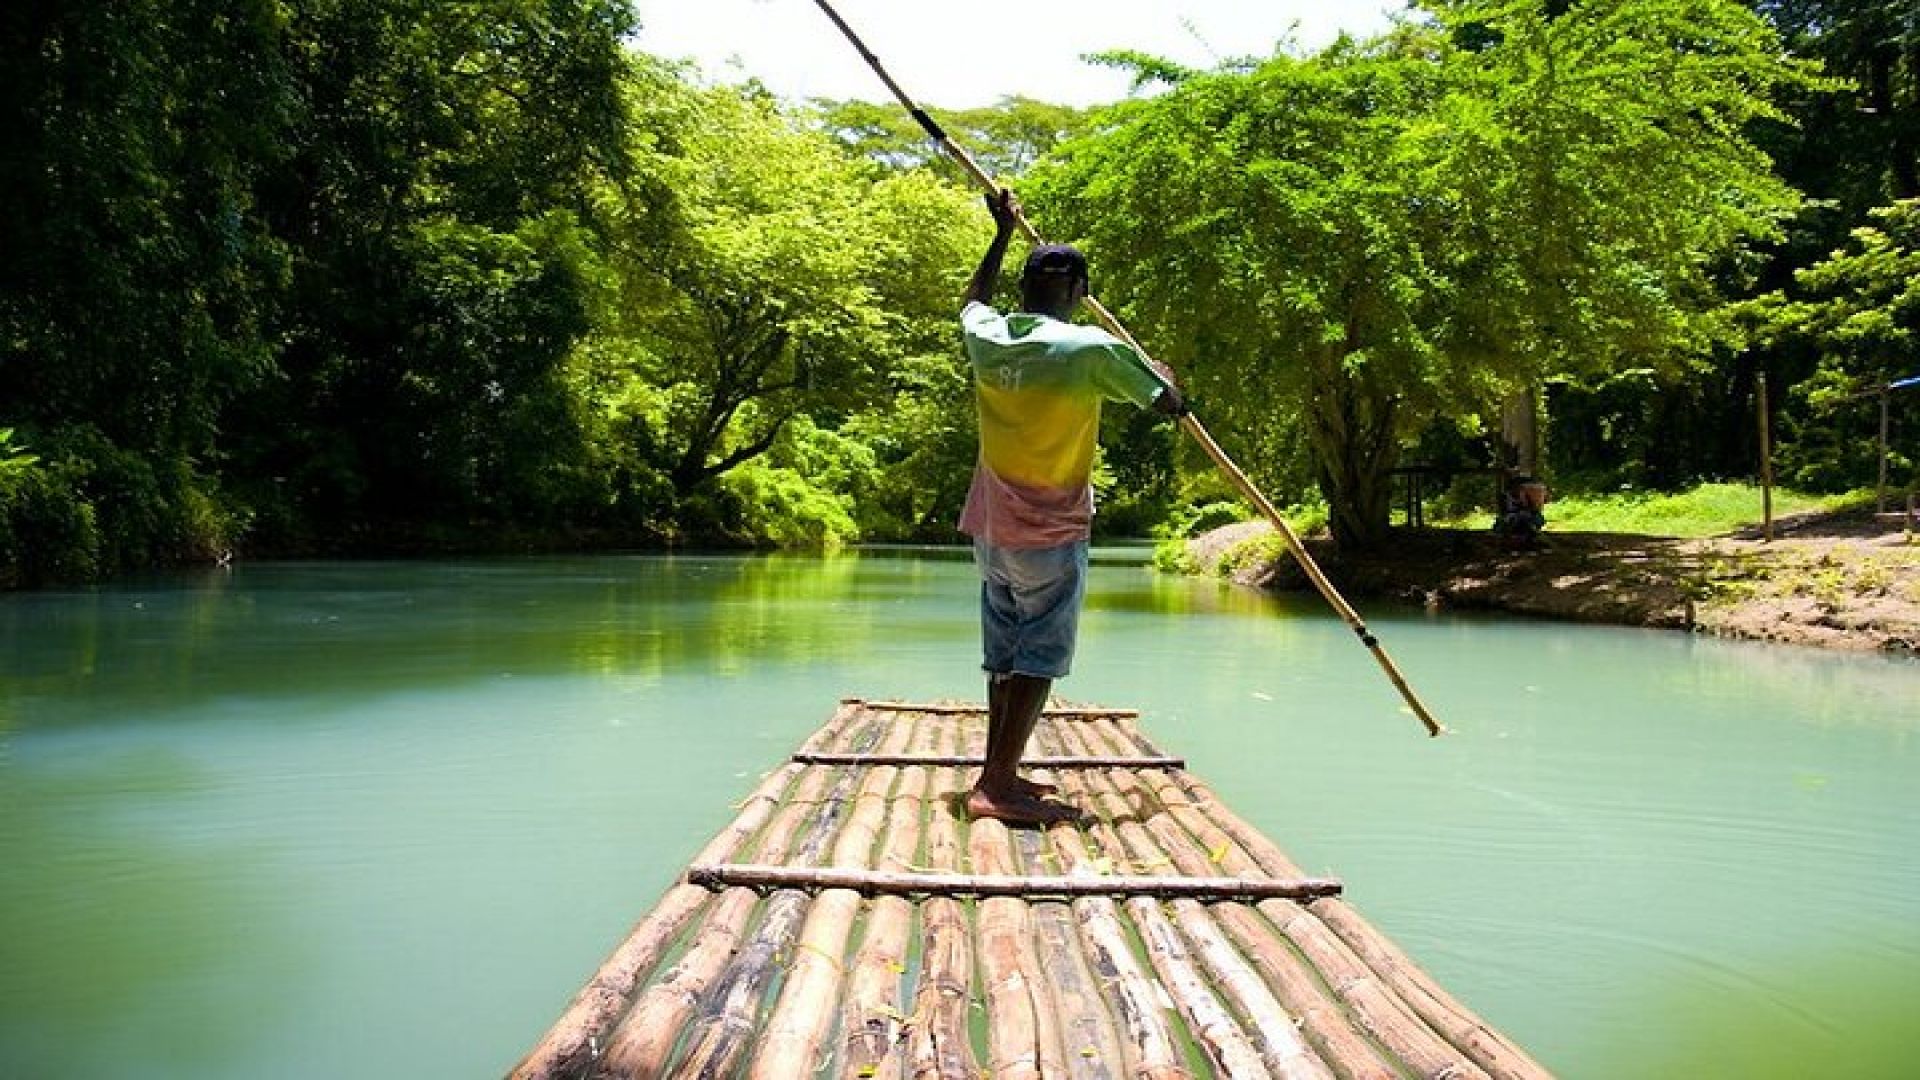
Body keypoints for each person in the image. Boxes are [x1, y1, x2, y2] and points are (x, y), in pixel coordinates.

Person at [958, 189, 1186, 825]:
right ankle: (995, 787)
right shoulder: (1091, 349)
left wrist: (1001, 234)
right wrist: (1163, 372)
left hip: (991, 530)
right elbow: (1169, 405)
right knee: (1037, 658)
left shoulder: (988, 337)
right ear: (1080, 291)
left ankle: (998, 771)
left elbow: (973, 301)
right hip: (1051, 530)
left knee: (1005, 655)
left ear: (1024, 288)